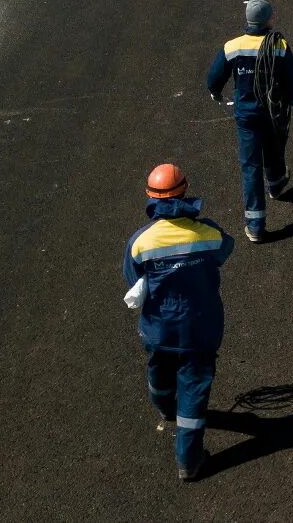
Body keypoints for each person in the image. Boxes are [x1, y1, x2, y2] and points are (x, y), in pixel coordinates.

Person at [123, 162, 232, 482]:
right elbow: (225, 250)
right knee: (194, 390)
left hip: (159, 329)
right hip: (200, 330)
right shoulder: (209, 235)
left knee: (159, 371)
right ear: (185, 191)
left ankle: (164, 406)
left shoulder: (140, 242)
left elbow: (132, 278)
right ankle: (189, 460)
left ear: (150, 198)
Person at [205, 0, 293, 243]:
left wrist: (216, 92)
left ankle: (255, 226)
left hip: (247, 116)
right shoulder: (279, 45)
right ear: (268, 19)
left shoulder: (232, 47)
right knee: (274, 149)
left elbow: (214, 78)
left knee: (250, 167)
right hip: (273, 112)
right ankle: (276, 184)